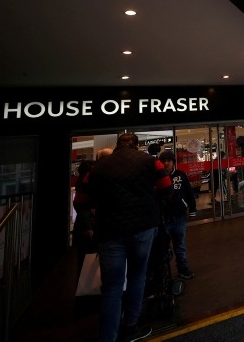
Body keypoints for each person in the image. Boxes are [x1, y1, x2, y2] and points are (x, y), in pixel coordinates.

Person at [77, 133, 173, 342]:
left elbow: (80, 199)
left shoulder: (98, 167)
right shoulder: (151, 162)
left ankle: (108, 336)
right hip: (143, 227)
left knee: (111, 285)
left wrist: (94, 217)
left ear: (117, 145)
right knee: (138, 276)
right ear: (137, 145)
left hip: (109, 232)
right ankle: (131, 327)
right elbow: (167, 189)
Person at [158, 151, 197, 279]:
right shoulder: (157, 177)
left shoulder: (180, 175)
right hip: (163, 219)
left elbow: (188, 192)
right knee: (162, 248)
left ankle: (183, 268)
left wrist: (192, 209)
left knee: (180, 246)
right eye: (163, 161)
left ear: (173, 162)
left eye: (169, 161)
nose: (166, 163)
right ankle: (163, 273)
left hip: (179, 217)